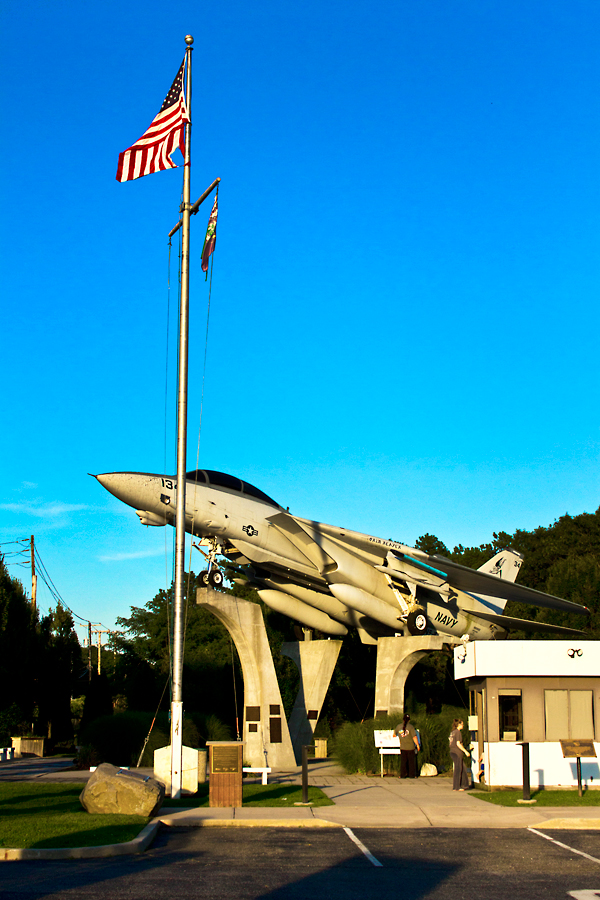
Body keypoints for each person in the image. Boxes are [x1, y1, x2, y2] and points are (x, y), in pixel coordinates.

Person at [394, 714, 419, 778]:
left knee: (403, 762)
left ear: (403, 719)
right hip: (410, 747)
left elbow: (394, 734)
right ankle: (412, 775)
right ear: (409, 720)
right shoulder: (411, 727)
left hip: (403, 747)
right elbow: (414, 737)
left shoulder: (398, 726)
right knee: (411, 762)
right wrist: (417, 745)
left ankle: (403, 775)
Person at [449, 718, 470, 791]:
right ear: (458, 724)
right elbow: (458, 743)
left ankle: (464, 784)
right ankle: (457, 786)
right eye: (462, 724)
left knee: (463, 768)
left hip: (452, 751)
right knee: (458, 769)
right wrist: (465, 751)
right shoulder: (458, 733)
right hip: (456, 752)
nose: (463, 726)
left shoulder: (453, 732)